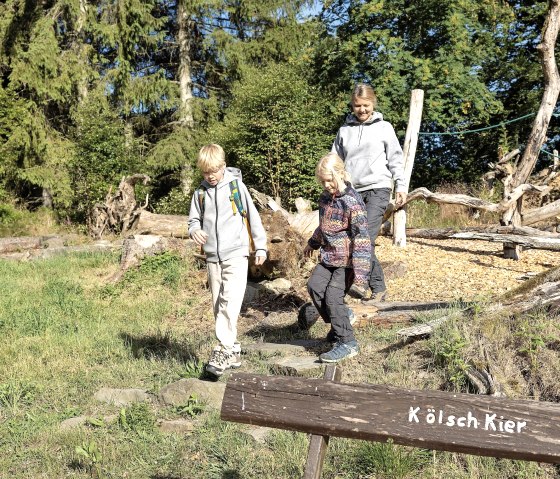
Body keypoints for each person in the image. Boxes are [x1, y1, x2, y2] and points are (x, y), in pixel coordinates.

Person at [188, 144, 267, 377]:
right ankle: (233, 351)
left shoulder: (236, 187)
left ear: (223, 166)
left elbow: (253, 218)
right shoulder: (199, 194)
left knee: (229, 301)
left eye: (214, 171)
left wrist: (260, 246)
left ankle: (222, 349)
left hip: (237, 254)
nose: (210, 176)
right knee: (217, 304)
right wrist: (195, 231)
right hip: (213, 257)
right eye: (205, 172)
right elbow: (193, 221)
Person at [331, 83, 407, 302]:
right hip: (352, 191)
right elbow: (335, 161)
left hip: (378, 188)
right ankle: (379, 288)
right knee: (355, 239)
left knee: (365, 238)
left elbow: (395, 158)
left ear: (373, 103)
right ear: (352, 106)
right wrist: (334, 187)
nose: (362, 110)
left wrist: (401, 185)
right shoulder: (344, 131)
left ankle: (360, 283)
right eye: (357, 106)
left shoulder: (384, 128)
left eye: (366, 105)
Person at [304, 152, 371, 363]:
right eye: (322, 181)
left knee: (333, 298)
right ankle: (341, 318)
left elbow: (362, 240)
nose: (326, 185)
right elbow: (324, 226)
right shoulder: (325, 198)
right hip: (329, 257)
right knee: (314, 287)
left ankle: (348, 343)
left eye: (330, 180)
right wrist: (312, 243)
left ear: (341, 174)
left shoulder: (352, 202)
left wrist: (360, 277)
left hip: (348, 262)